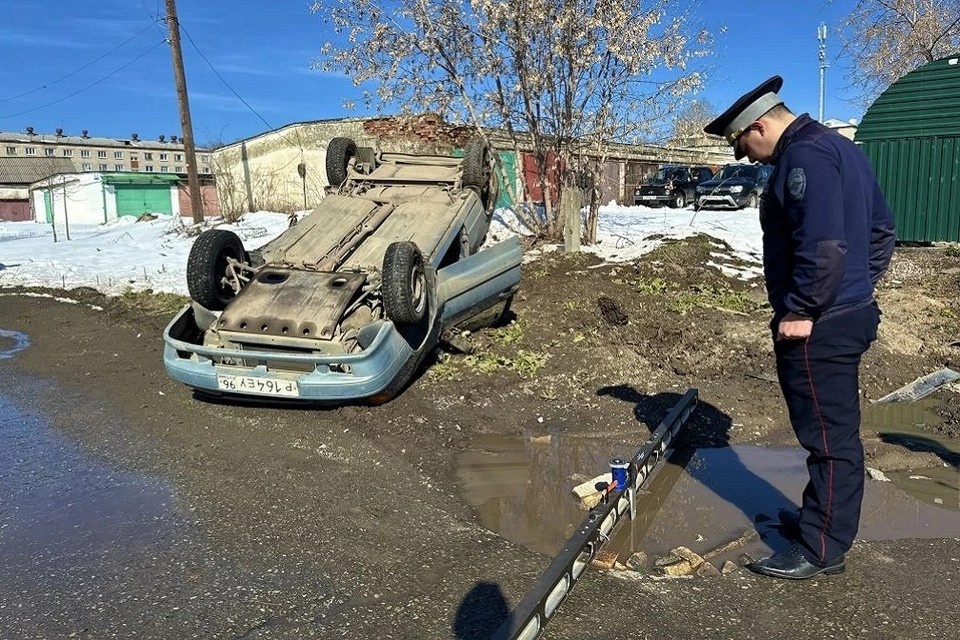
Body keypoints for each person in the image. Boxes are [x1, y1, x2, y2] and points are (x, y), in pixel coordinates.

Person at [704, 76, 896, 580]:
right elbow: (880, 233)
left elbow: (824, 245)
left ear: (761, 125)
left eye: (746, 146)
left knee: (828, 438)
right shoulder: (842, 149)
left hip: (820, 327)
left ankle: (821, 548)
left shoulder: (804, 157)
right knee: (829, 430)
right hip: (848, 313)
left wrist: (804, 308)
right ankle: (820, 522)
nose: (752, 160)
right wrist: (857, 288)